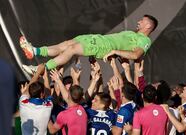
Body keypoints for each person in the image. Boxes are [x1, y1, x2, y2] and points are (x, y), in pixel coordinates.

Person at [20, 15, 158, 70]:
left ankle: (41, 68)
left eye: (142, 21)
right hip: (98, 38)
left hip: (104, 46)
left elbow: (135, 55)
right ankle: (35, 51)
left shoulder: (145, 40)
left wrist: (115, 52)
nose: (139, 21)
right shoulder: (134, 33)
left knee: (71, 49)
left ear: (148, 26)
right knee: (67, 44)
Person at [48, 70, 87, 135]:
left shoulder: (64, 115)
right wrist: (58, 80)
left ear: (69, 95)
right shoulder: (82, 109)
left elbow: (52, 130)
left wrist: (46, 113)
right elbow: (72, 95)